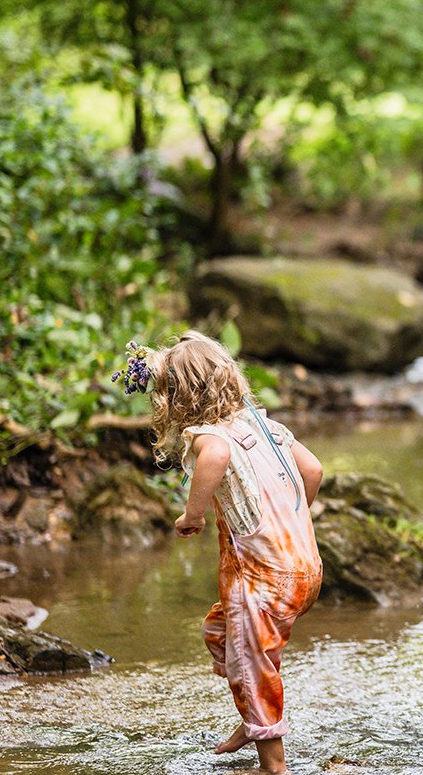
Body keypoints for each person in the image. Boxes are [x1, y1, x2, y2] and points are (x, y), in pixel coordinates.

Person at [124, 332, 323, 775]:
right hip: (304, 567)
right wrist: (292, 517)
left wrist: (192, 515)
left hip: (264, 576)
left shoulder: (208, 435)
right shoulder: (268, 428)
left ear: (177, 398)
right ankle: (251, 721)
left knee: (253, 664)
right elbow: (313, 469)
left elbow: (214, 456)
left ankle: (274, 766)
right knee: (220, 633)